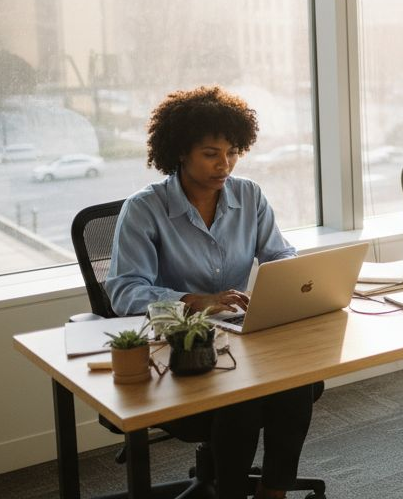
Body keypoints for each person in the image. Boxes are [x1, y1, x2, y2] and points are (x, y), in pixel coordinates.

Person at [105, 86, 315, 499]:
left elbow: (279, 255)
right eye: (210, 153)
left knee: (297, 378)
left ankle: (273, 491)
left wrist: (290, 282)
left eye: (233, 152)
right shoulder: (144, 209)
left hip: (239, 335)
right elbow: (125, 290)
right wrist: (191, 301)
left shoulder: (249, 196)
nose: (225, 164)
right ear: (180, 152)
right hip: (180, 346)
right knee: (242, 395)